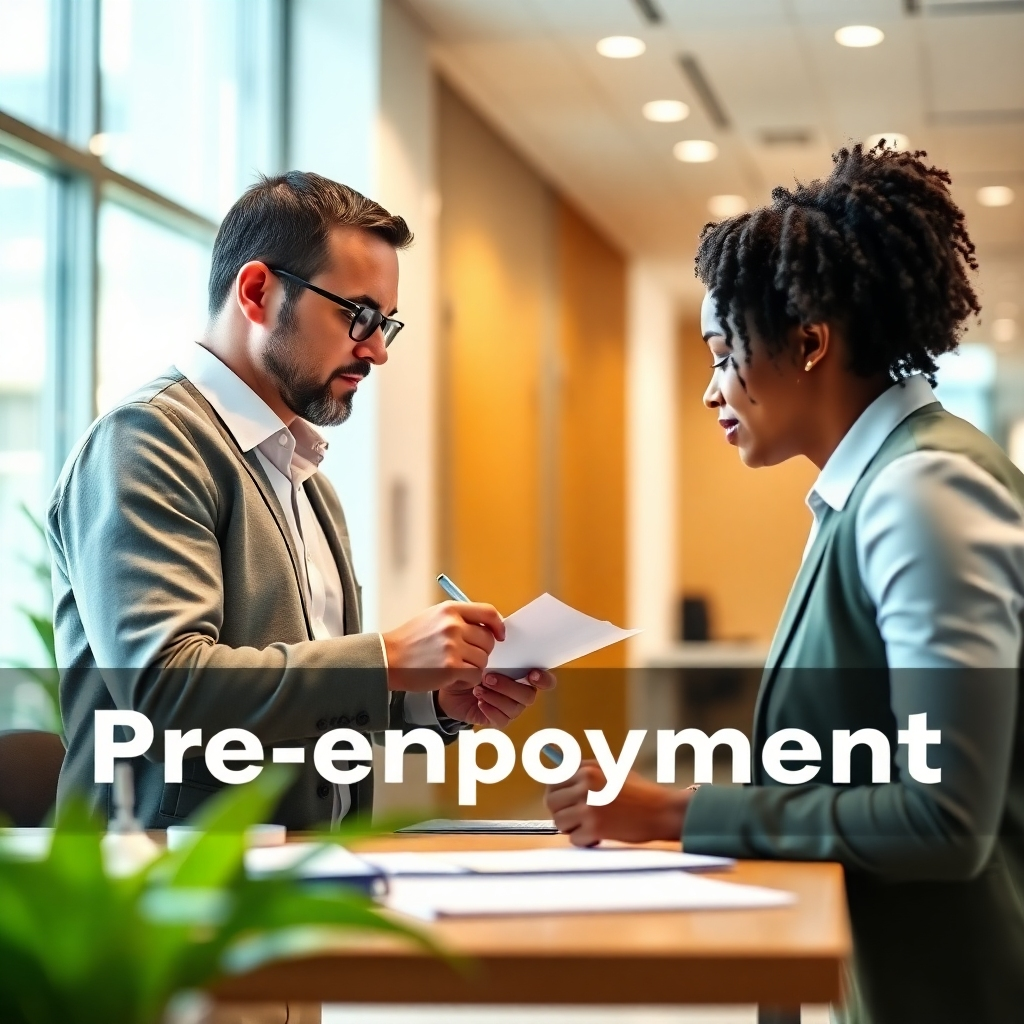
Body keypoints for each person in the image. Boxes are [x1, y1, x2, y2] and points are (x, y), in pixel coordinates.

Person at [545, 145, 1024, 1023]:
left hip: (960, 986)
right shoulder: (869, 487)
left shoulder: (925, 490)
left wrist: (674, 811)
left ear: (809, 343)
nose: (711, 390)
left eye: (723, 352)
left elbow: (946, 817)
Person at [50, 171, 554, 828]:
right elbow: (167, 690)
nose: (376, 349)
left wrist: (433, 701)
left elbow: (301, 703)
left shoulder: (307, 478)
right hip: (171, 901)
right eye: (358, 314)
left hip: (303, 881)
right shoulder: (147, 439)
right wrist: (387, 659)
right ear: (258, 292)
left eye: (386, 323)